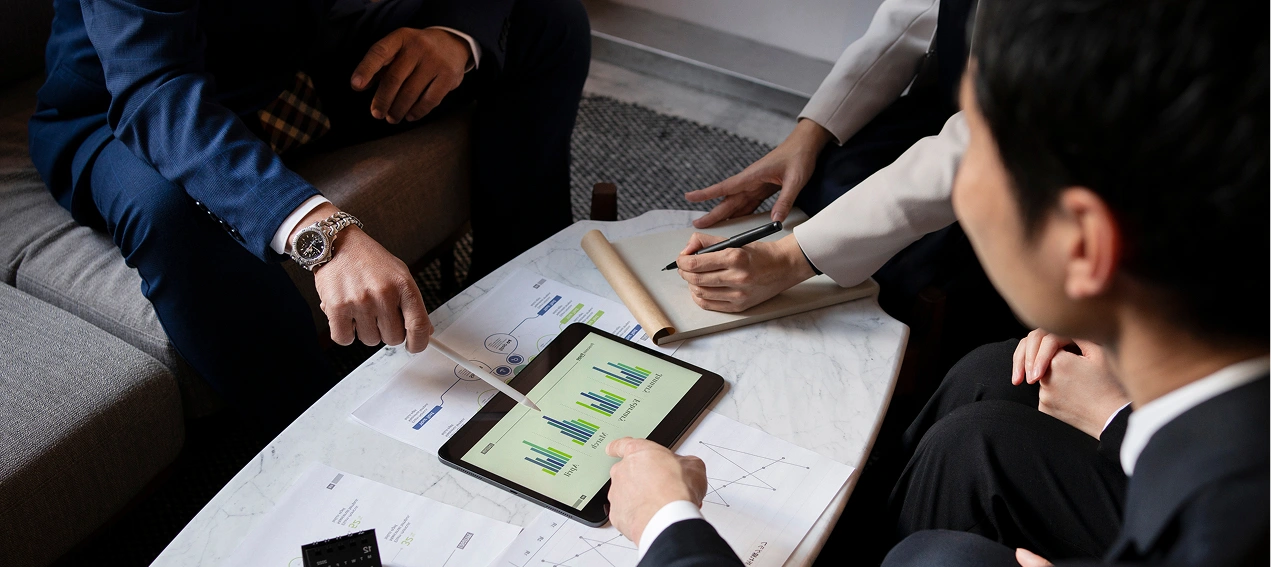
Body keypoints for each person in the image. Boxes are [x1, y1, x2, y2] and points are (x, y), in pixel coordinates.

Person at [602, 0, 1269, 565]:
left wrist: (669, 525)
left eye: (973, 141)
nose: (954, 167)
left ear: (1085, 245)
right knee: (991, 373)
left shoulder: (1218, 522)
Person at [28, 0, 589, 429]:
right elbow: (154, 87)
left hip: (291, 63)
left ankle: (531, 305)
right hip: (132, 107)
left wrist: (451, 37)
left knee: (546, 17)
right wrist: (324, 233)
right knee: (171, 212)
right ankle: (327, 431)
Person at [675, 0, 1021, 387]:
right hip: (949, 99)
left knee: (918, 265)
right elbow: (912, 16)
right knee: (824, 180)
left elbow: (993, 136)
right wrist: (809, 134)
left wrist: (791, 259)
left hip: (1024, 138)